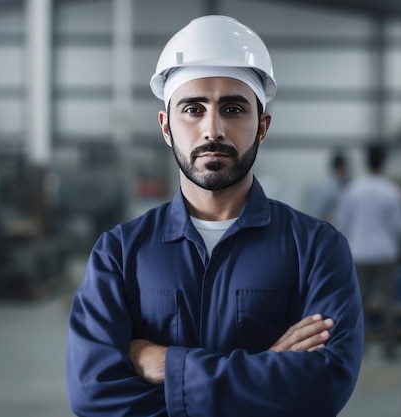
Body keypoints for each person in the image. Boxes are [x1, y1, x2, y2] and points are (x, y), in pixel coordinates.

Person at [66, 15, 364, 417]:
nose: (213, 129)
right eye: (192, 108)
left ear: (262, 126)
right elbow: (94, 396)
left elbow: (322, 387)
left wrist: (167, 364)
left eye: (233, 108)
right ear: (166, 127)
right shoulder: (119, 252)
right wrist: (268, 368)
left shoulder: (316, 248)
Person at [337, 142, 401, 360]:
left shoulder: (353, 189)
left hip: (359, 253)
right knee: (388, 303)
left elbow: (343, 222)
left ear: (367, 160)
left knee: (359, 304)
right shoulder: (393, 191)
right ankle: (390, 348)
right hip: (386, 253)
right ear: (384, 162)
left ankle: (360, 348)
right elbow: (398, 226)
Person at [309, 152, 349, 223]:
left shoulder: (342, 185)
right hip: (328, 228)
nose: (347, 170)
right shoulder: (325, 187)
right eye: (345, 167)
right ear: (340, 167)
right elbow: (317, 212)